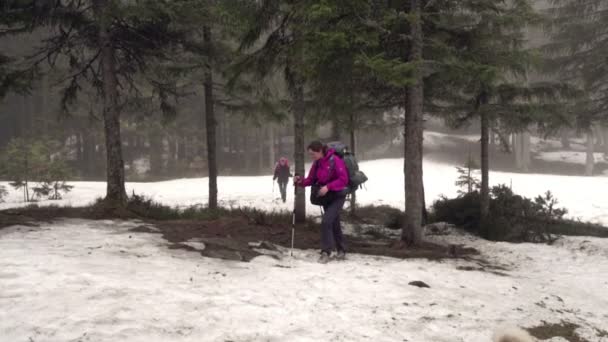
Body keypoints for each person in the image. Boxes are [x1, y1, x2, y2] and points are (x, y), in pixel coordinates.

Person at [294, 141, 349, 263]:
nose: (311, 157)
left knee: (326, 221)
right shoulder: (317, 163)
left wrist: (328, 187)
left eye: (313, 154)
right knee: (334, 223)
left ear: (320, 151)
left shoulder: (335, 160)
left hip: (338, 196)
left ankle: (326, 252)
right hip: (326, 197)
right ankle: (342, 250)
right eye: (310, 154)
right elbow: (310, 180)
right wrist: (299, 182)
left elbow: (343, 180)